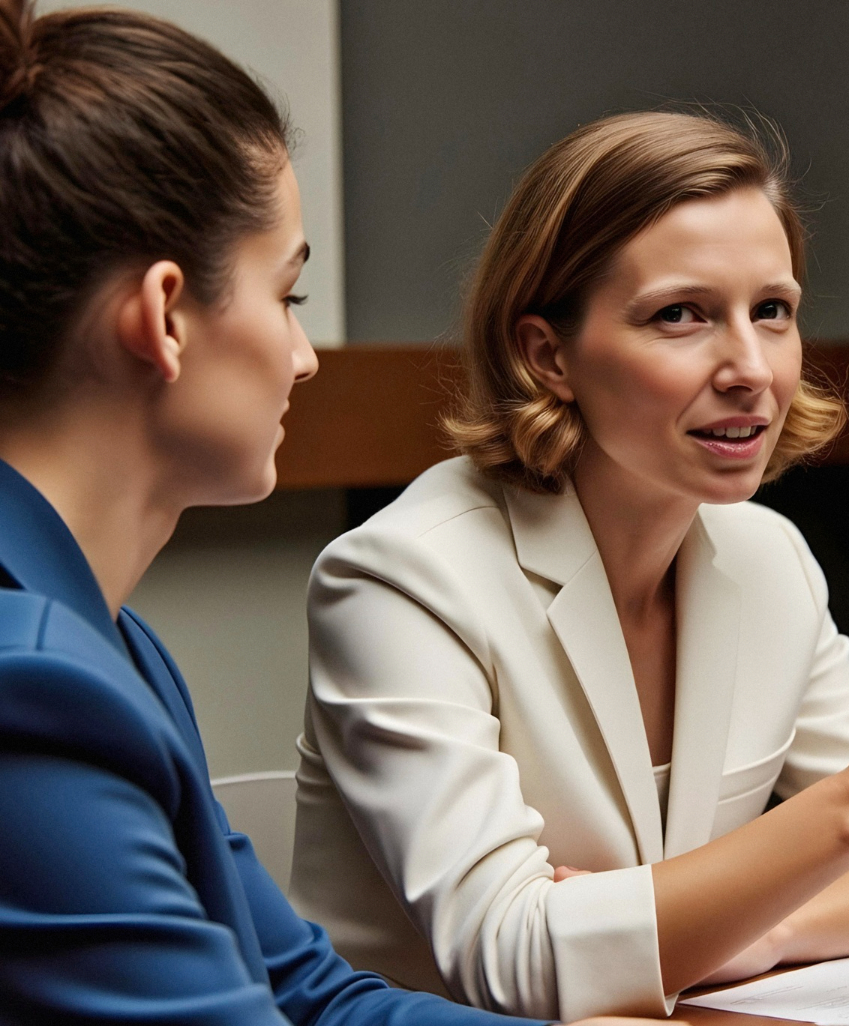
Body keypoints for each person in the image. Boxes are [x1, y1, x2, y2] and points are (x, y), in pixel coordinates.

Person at [290, 110, 849, 1022]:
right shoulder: (400, 579)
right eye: (680, 316)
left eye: (771, 311)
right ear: (548, 355)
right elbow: (517, 960)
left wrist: (763, 930)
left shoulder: (767, 555)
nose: (752, 368)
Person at [0, 4, 653, 1023]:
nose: (304, 357)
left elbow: (305, 991)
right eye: (289, 295)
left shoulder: (112, 646)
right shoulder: (31, 690)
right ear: (165, 316)